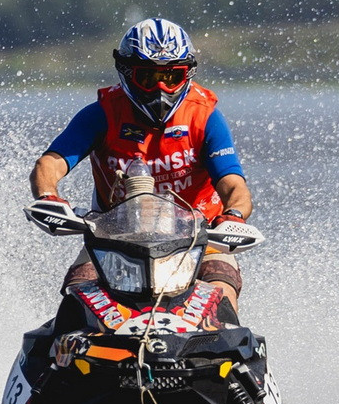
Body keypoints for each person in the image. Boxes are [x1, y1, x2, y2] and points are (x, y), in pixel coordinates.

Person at [27, 18, 253, 311]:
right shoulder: (102, 115)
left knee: (221, 292)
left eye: (171, 77)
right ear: (126, 72)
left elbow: (234, 184)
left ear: (188, 74)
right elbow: (50, 163)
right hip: (115, 240)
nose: (160, 88)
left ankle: (235, 353)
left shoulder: (205, 117)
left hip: (199, 239)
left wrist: (233, 215)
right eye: (147, 77)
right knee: (76, 296)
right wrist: (49, 197)